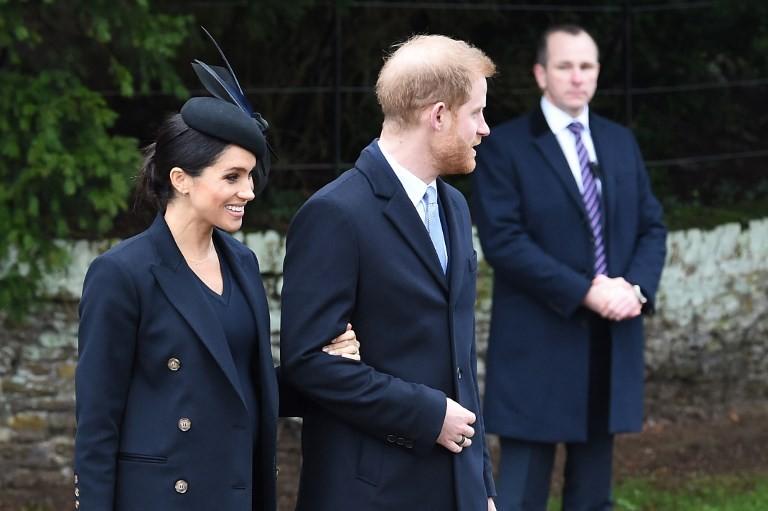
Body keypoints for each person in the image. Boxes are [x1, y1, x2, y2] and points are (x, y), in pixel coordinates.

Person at [73, 34, 360, 511]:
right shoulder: (120, 274)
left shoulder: (242, 263)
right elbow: (98, 424)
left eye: (250, 175)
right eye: (232, 176)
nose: (248, 191)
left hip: (235, 492)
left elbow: (239, 388)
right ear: (180, 180)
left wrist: (323, 370)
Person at [279, 34, 498, 511]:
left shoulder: (455, 206)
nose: (485, 129)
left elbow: (460, 363)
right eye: (476, 114)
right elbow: (307, 363)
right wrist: (427, 414)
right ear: (438, 115)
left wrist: (481, 488)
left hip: (453, 490)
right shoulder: (335, 214)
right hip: (368, 492)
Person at [472, 24, 667, 510]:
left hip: (609, 345)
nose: (577, 77)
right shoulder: (504, 146)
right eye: (565, 66)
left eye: (587, 66)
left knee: (592, 499)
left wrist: (636, 290)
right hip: (537, 347)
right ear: (541, 74)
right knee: (519, 497)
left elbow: (652, 227)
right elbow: (504, 241)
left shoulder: (621, 142)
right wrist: (586, 290)